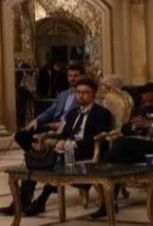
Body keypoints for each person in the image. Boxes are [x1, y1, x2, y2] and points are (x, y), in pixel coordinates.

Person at [88, 83, 153, 220]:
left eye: (150, 100)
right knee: (117, 163)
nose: (147, 104)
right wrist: (134, 127)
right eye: (144, 101)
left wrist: (150, 125)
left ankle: (102, 172)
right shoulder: (140, 109)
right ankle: (108, 203)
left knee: (119, 145)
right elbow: (124, 129)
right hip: (137, 149)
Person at [19, 78, 114, 216]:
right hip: (67, 150)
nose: (80, 95)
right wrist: (58, 139)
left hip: (86, 151)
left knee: (54, 162)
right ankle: (23, 202)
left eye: (85, 92)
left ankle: (41, 201)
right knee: (34, 162)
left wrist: (72, 144)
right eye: (78, 92)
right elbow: (65, 133)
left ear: (93, 94)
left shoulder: (101, 113)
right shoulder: (72, 113)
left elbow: (99, 138)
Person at [2, 63, 86, 214]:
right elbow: (50, 111)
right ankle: (23, 199)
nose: (72, 79)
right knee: (23, 135)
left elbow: (78, 125)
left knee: (42, 161)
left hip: (66, 133)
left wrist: (62, 126)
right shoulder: (63, 95)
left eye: (76, 76)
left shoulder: (88, 107)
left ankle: (37, 198)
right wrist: (37, 120)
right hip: (54, 126)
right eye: (70, 76)